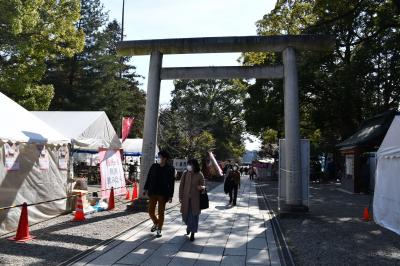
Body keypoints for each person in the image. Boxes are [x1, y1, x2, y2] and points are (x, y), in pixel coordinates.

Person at [143, 150, 175, 238]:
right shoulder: (154, 166)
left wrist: (171, 195)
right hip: (152, 192)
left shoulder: (170, 168)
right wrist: (145, 188)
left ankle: (159, 229)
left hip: (163, 194)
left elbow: (172, 183)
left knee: (161, 212)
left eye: (160, 157)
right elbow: (149, 177)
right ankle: (156, 223)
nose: (158, 158)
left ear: (165, 158)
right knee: (150, 211)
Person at [179, 159, 205, 242]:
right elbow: (181, 186)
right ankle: (188, 227)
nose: (189, 166)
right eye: (188, 164)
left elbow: (204, 185)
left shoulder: (199, 174)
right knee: (185, 216)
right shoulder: (185, 173)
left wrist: (201, 187)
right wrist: (180, 196)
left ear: (195, 165)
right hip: (186, 199)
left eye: (190, 164)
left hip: (195, 200)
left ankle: (193, 233)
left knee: (194, 216)